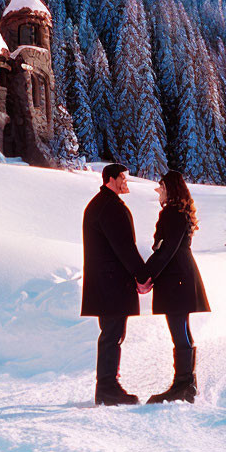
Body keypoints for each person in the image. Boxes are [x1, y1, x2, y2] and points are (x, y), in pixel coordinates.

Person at [82, 163, 153, 406]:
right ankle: (108, 388)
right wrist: (142, 274)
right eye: (123, 177)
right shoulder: (109, 207)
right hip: (111, 282)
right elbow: (124, 247)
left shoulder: (100, 204)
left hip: (106, 281)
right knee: (112, 334)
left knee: (111, 333)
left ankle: (108, 386)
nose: (126, 182)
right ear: (110, 179)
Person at [144, 170, 210, 404]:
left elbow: (166, 250)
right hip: (182, 276)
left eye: (160, 187)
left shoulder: (171, 213)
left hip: (177, 279)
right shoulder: (178, 212)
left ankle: (182, 386)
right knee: (182, 330)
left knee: (179, 331)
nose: (158, 192)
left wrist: (145, 276)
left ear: (169, 188)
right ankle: (187, 384)